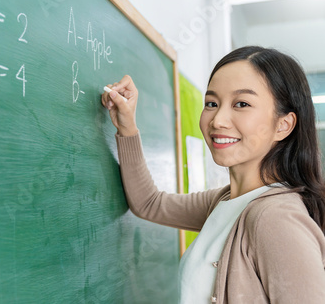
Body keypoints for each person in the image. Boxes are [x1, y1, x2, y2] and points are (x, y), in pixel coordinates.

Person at [101, 46, 325, 303]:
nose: (218, 120)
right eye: (212, 103)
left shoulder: (275, 218)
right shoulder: (225, 201)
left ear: (283, 125)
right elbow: (149, 203)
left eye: (242, 104)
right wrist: (127, 127)